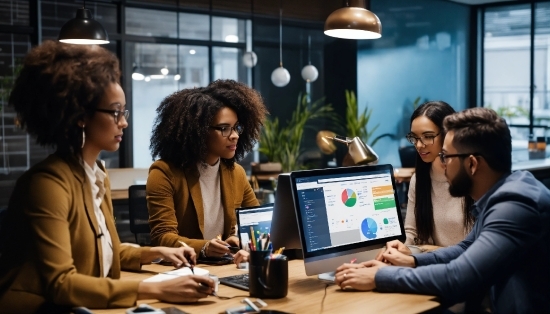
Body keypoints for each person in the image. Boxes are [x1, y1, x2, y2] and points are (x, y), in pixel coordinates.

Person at [0, 41, 214, 312]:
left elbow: (103, 249)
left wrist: (156, 252)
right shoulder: (48, 184)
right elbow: (61, 283)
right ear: (80, 116)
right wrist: (155, 289)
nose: (123, 122)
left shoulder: (96, 173)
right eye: (115, 112)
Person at [335, 107, 550, 312]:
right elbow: (464, 248)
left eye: (446, 156)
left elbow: (459, 277)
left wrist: (378, 277)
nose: (442, 164)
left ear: (472, 164)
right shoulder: (502, 194)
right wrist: (413, 261)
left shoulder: (514, 205)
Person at [147, 79, 268, 265]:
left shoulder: (236, 173)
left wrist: (239, 240)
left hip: (225, 268)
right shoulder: (164, 172)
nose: (234, 135)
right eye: (224, 128)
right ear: (198, 131)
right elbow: (162, 236)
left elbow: (257, 225)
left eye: (236, 127)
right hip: (184, 269)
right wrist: (204, 247)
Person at [404, 101, 474, 247]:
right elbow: (412, 232)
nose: (418, 145)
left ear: (448, 134)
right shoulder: (419, 180)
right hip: (429, 266)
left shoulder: (472, 178)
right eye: (414, 137)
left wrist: (427, 250)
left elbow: (475, 250)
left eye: (428, 136)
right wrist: (401, 248)